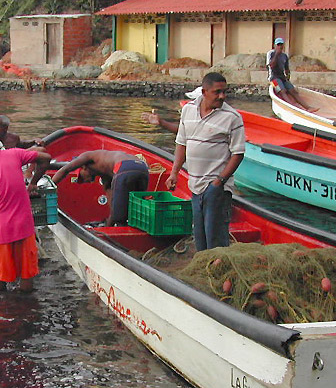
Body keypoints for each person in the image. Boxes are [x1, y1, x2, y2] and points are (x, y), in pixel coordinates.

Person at [146, 72, 245, 251]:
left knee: (216, 238)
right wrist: (175, 172)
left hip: (217, 188)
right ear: (204, 92)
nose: (222, 96)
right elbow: (182, 142)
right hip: (195, 186)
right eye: (217, 92)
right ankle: (204, 267)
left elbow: (237, 153)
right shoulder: (188, 110)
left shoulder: (232, 117)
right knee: (200, 236)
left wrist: (219, 181)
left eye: (224, 92)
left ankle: (218, 272)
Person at [0, 129, 51, 292]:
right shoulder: (14, 155)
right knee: (26, 275)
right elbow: (46, 157)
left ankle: (2, 312)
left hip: (2, 230)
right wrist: (33, 182)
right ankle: (28, 310)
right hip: (24, 226)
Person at [51, 150, 149, 227]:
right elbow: (112, 205)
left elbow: (65, 169)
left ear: (84, 168)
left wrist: (49, 187)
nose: (87, 181)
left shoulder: (87, 156)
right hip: (142, 167)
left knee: (120, 218)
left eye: (82, 178)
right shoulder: (106, 174)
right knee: (138, 208)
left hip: (124, 166)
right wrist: (108, 226)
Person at [267, 38, 314, 111]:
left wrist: (287, 77)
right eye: (278, 45)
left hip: (282, 77)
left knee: (293, 91)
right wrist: (276, 54)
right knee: (282, 91)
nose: (280, 46)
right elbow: (271, 65)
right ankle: (292, 107)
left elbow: (286, 69)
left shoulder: (284, 56)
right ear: (275, 45)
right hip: (273, 78)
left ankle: (308, 108)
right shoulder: (271, 53)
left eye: (281, 45)